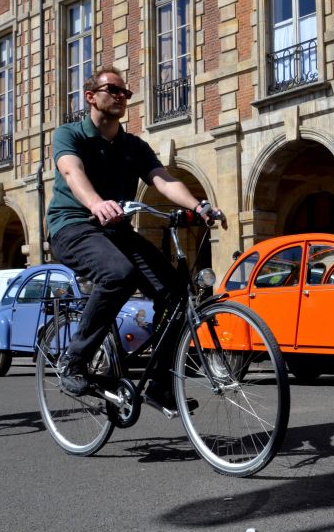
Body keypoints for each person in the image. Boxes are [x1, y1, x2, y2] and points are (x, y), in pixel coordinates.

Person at [46, 66, 224, 406]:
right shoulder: (70, 135)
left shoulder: (133, 146)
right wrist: (96, 203)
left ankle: (159, 383)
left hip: (116, 231)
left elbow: (163, 179)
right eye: (112, 90)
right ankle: (75, 360)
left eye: (125, 93)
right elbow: (72, 170)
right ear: (91, 96)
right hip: (73, 225)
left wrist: (199, 206)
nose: (120, 97)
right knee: (118, 274)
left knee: (175, 293)